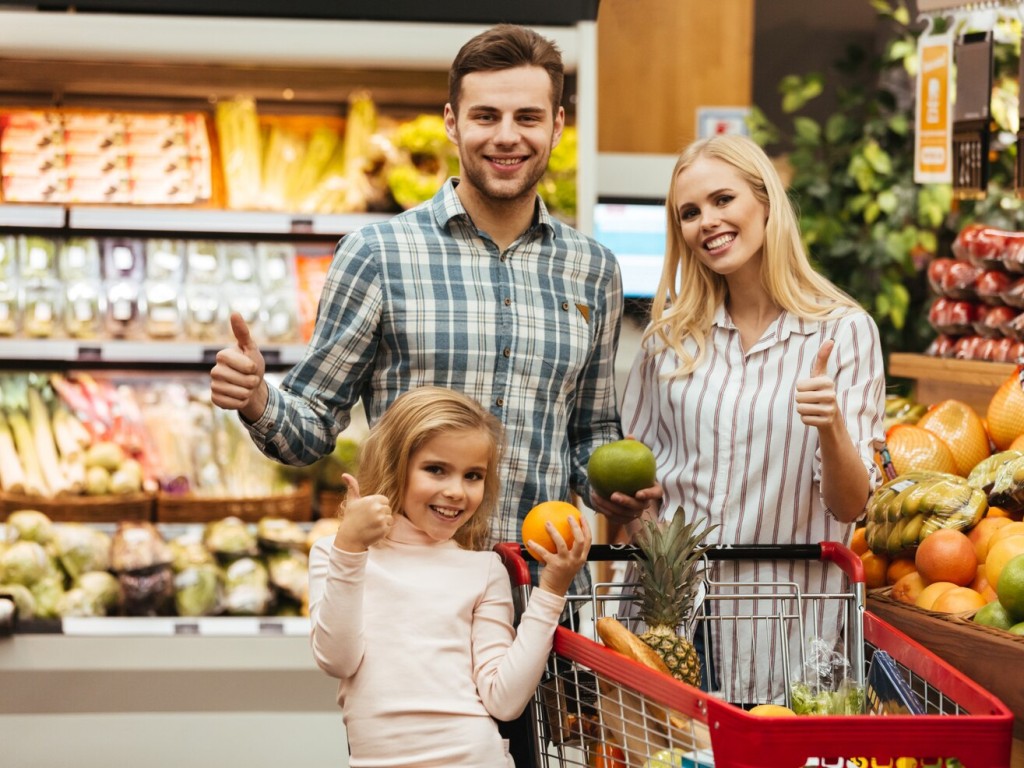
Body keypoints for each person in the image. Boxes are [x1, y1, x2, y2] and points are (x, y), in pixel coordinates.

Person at [210, 22, 630, 586]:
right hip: (411, 593)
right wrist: (259, 397)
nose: (507, 136)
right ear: (453, 123)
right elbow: (309, 429)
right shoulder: (377, 254)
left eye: (527, 117)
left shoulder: (592, 269)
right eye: (486, 116)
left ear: (556, 126)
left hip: (543, 593)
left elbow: (591, 433)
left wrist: (618, 491)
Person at [618, 134, 886, 704]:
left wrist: (831, 426)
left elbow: (850, 505)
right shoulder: (667, 342)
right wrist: (628, 508)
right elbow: (639, 481)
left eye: (722, 200)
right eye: (689, 213)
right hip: (674, 626)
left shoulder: (843, 332)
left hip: (787, 631)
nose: (706, 222)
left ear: (765, 201)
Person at [307, 386, 592, 767]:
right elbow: (337, 660)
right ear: (396, 464)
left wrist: (552, 590)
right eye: (436, 469)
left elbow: (504, 701)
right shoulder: (336, 553)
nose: (456, 491)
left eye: (473, 475)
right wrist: (350, 548)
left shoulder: (484, 570)